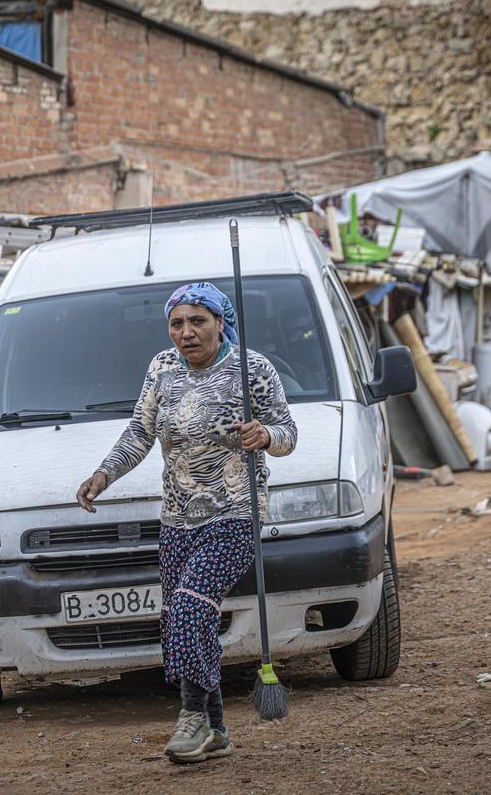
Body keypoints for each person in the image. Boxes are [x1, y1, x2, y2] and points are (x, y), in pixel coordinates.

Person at [75, 281, 297, 764]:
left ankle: (191, 716)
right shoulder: (162, 368)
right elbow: (140, 430)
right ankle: (216, 733)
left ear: (220, 323)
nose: (187, 332)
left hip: (235, 512)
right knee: (181, 618)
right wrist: (103, 474)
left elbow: (287, 432)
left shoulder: (251, 369)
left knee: (192, 608)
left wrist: (265, 434)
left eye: (198, 321)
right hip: (176, 518)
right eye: (177, 323)